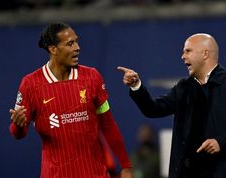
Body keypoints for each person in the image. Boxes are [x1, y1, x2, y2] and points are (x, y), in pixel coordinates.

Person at [117, 33, 226, 178]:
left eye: (188, 51)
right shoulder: (183, 88)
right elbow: (153, 109)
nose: (182, 56)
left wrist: (221, 142)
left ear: (205, 54)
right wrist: (136, 86)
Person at [9, 22, 134, 178]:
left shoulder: (92, 77)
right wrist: (18, 125)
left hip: (94, 174)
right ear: (53, 49)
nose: (77, 47)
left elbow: (107, 124)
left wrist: (126, 166)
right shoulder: (31, 84)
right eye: (70, 44)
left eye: (76, 41)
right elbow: (18, 134)